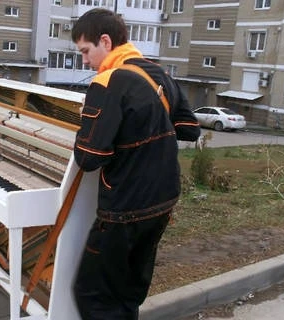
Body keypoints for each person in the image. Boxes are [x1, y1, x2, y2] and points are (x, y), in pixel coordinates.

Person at [70, 8, 201, 319]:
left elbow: (89, 158)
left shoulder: (108, 80)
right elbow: (189, 129)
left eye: (86, 51)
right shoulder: (158, 74)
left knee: (94, 294)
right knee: (129, 290)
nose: (85, 61)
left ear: (105, 41)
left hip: (125, 207)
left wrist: (86, 125)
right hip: (163, 200)